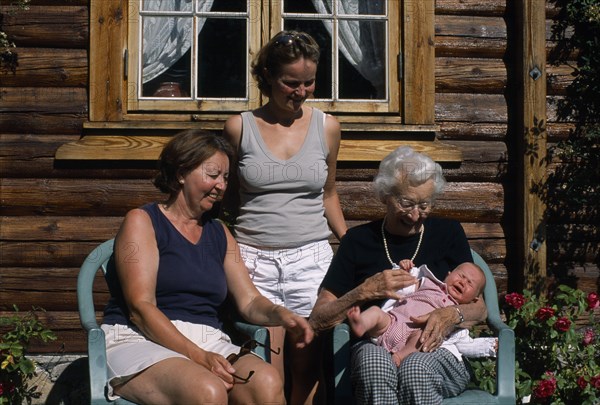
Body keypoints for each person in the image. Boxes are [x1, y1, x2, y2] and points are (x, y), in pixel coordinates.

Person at [101, 130, 313, 405]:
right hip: (141, 339)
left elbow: (249, 301)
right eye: (213, 175)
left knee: (267, 382)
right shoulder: (143, 221)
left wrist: (281, 314)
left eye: (225, 178)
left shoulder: (219, 233)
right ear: (181, 173)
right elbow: (141, 309)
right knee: (208, 390)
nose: (221, 186)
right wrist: (199, 357)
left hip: (207, 339)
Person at [222, 30, 347, 404]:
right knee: (269, 371)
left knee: (307, 366)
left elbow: (329, 194)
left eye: (309, 82)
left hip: (311, 258)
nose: (301, 91)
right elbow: (227, 198)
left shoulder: (327, 127)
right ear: (267, 78)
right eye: (291, 83)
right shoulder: (238, 127)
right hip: (254, 260)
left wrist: (350, 242)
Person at [309, 146, 488, 404]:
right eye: (406, 203)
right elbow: (318, 318)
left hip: (436, 348)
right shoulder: (357, 242)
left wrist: (451, 314)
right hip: (377, 341)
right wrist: (364, 292)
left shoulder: (448, 233)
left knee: (415, 368)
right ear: (385, 196)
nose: (416, 215)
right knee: (375, 367)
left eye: (424, 205)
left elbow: (479, 307)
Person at [348, 260, 495, 366]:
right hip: (392, 322)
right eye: (461, 276)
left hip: (414, 339)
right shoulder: (427, 282)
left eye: (470, 283)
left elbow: (463, 344)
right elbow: (402, 285)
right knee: (376, 312)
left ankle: (399, 357)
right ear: (448, 274)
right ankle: (362, 324)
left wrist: (489, 345)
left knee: (425, 335)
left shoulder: (455, 317)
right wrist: (404, 270)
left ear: (475, 298)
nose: (463, 282)